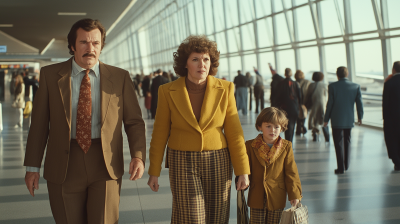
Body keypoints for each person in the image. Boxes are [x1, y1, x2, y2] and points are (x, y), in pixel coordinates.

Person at [23, 18, 146, 223]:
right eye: (84, 42)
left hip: (105, 164)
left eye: (96, 43)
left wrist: (138, 155)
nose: (91, 48)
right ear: (72, 46)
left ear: (102, 46)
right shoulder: (50, 75)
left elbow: (133, 121)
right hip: (64, 164)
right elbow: (39, 125)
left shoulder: (120, 77)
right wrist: (32, 168)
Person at [147, 35, 250, 223]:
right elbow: (160, 133)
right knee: (192, 218)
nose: (202, 64)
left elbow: (235, 133)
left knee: (217, 217)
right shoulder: (167, 91)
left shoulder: (226, 88)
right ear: (185, 64)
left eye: (206, 59)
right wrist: (154, 170)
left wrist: (242, 170)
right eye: (195, 59)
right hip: (182, 160)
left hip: (218, 159)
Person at [245, 107, 302, 223]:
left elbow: (291, 172)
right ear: (260, 126)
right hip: (256, 195)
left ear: (282, 128)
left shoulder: (286, 147)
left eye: (277, 127)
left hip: (277, 195)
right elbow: (245, 167)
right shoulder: (250, 145)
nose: (273, 130)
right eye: (268, 126)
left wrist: (294, 194)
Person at [324, 66, 363, 174]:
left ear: (337, 75)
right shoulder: (355, 86)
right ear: (347, 74)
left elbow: (330, 104)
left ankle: (340, 167)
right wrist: (360, 117)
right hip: (349, 119)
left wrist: (326, 119)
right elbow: (359, 103)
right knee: (347, 141)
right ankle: (347, 165)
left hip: (336, 119)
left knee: (338, 143)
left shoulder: (332, 86)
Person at [276, 68, 302, 143]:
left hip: (284, 107)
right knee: (292, 125)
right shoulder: (295, 83)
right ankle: (289, 141)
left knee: (286, 125)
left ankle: (288, 141)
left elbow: (277, 96)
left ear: (285, 74)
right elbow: (300, 97)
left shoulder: (280, 84)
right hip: (294, 107)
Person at [383, 61, 400, 171]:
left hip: (393, 118)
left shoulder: (389, 83)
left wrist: (385, 119)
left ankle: (397, 162)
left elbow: (386, 103)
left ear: (393, 69)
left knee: (393, 139)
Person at [304, 72, 327, 141]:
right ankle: (318, 130)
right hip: (322, 104)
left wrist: (305, 104)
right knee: (321, 117)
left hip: (314, 103)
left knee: (314, 117)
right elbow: (326, 95)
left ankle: (314, 131)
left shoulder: (311, 85)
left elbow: (307, 95)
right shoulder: (324, 85)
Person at [294, 70, 310, 136]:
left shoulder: (294, 82)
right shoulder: (307, 82)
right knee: (304, 114)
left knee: (298, 115)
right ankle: (302, 126)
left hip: (296, 102)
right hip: (305, 102)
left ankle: (298, 129)